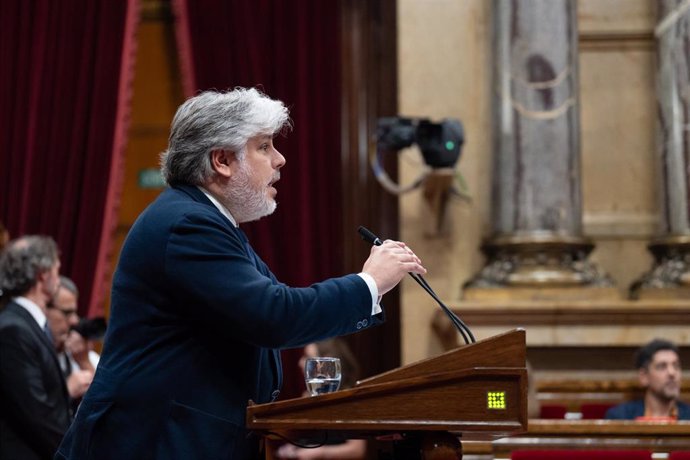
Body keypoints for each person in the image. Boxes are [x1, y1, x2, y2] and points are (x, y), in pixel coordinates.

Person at [56, 87, 426, 460]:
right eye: (264, 146)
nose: (280, 159)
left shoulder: (209, 222)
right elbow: (274, 316)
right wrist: (370, 283)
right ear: (222, 160)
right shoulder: (187, 225)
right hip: (153, 444)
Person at [0, 235, 71, 460]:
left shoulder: (27, 324)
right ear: (43, 273)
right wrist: (72, 452)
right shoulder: (14, 329)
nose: (59, 280)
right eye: (57, 270)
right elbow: (35, 413)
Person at [277, 338, 367, 459]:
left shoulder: (348, 403)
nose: (300, 363)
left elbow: (357, 449)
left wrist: (318, 453)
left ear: (328, 366)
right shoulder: (307, 397)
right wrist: (295, 448)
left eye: (307, 358)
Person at [605, 338, 690, 420]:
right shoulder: (621, 417)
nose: (672, 373)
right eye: (662, 367)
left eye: (676, 366)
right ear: (644, 377)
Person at [46, 276, 97, 404]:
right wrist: (67, 391)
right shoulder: (28, 351)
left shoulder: (85, 357)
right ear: (44, 308)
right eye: (67, 312)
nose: (75, 320)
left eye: (75, 312)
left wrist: (84, 362)